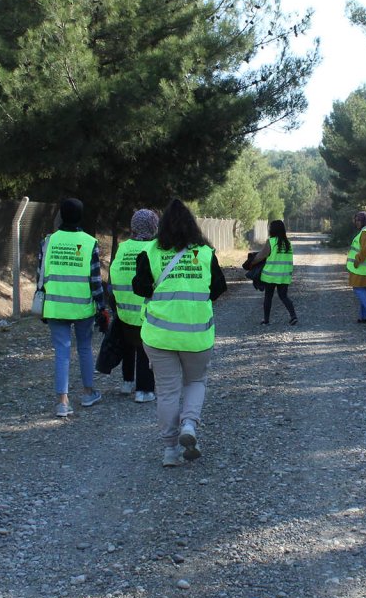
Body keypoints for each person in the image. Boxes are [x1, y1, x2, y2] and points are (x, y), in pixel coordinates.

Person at [132, 198, 227, 467]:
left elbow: (140, 287)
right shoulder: (205, 253)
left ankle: (170, 451)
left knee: (167, 391)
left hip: (159, 335)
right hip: (197, 335)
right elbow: (219, 287)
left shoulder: (149, 252)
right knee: (195, 382)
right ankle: (189, 424)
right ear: (191, 225)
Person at [37, 198, 110, 418]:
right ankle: (88, 392)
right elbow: (95, 281)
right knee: (85, 348)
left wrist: (42, 304)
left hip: (55, 306)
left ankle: (62, 401)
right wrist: (101, 307)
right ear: (80, 216)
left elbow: (39, 273)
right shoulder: (89, 242)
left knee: (62, 352)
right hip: (82, 308)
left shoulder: (48, 241)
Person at [109, 208, 159, 403]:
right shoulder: (154, 248)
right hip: (145, 310)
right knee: (146, 349)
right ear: (153, 226)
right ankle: (144, 390)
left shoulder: (123, 247)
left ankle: (127, 382)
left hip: (123, 310)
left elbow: (114, 275)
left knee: (128, 345)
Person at [247, 219, 298, 325]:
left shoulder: (271, 241)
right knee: (284, 296)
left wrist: (251, 263)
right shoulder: (288, 243)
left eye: (270, 228)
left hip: (270, 276)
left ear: (273, 230)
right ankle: (293, 316)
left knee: (268, 297)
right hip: (284, 276)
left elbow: (261, 256)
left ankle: (266, 320)